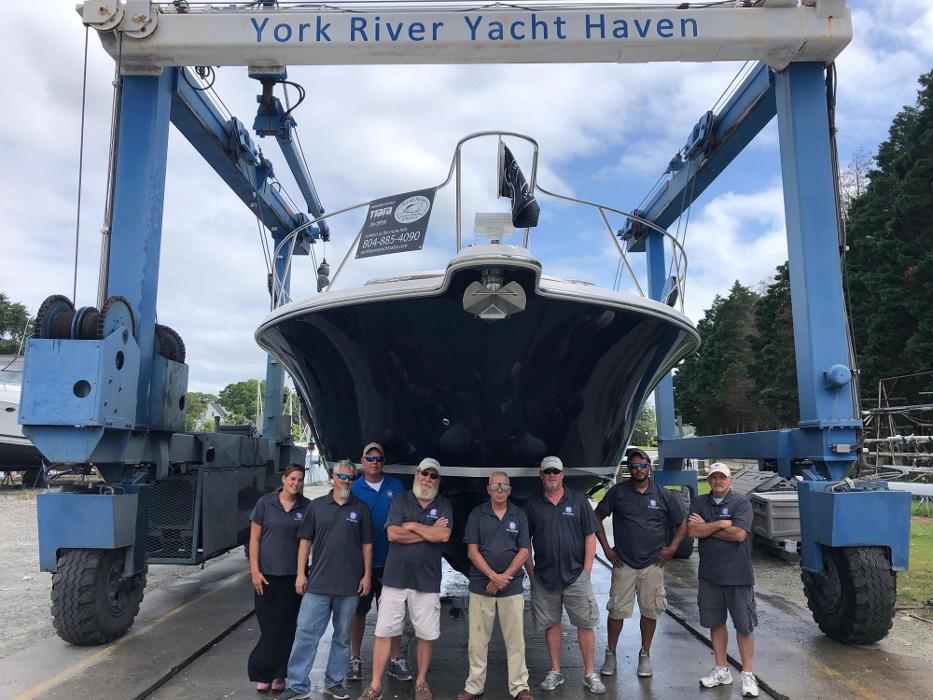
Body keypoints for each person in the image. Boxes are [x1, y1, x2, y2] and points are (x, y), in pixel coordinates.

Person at [277, 460, 373, 700]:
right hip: (318, 583)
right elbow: (305, 542)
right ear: (333, 476)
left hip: (349, 585)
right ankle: (298, 684)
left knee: (342, 637)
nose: (346, 481)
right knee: (306, 635)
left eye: (350, 478)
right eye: (342, 476)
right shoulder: (317, 506)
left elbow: (367, 545)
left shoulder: (360, 509)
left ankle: (335, 681)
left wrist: (367, 575)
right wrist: (301, 573)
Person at [357, 458, 453, 700]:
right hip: (395, 577)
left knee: (426, 633)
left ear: (438, 480)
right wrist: (426, 530)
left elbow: (443, 536)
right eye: (424, 473)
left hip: (427, 580)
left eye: (433, 476)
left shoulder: (443, 505)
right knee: (384, 631)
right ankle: (375, 684)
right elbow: (392, 534)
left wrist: (411, 525)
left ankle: (421, 681)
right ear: (416, 474)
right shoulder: (401, 499)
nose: (427, 479)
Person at [594, 448, 688, 678]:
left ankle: (644, 654)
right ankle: (611, 653)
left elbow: (682, 523)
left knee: (650, 610)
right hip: (623, 562)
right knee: (616, 610)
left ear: (650, 467)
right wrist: (606, 548)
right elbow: (596, 517)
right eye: (633, 466)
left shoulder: (665, 495)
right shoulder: (617, 493)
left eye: (642, 465)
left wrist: (673, 547)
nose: (638, 470)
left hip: (653, 564)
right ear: (628, 469)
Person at [523, 456, 605, 695]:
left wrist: (587, 570)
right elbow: (524, 541)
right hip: (545, 577)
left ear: (563, 475)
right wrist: (531, 570)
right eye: (547, 472)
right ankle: (556, 670)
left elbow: (590, 535)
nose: (551, 476)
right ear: (541, 476)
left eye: (555, 472)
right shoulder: (532, 505)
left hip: (576, 575)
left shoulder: (579, 501)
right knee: (551, 624)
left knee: (585, 624)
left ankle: (590, 673)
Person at [456, 472, 534, 700]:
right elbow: (472, 551)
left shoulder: (518, 515)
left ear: (510, 490)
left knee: (516, 641)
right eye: (495, 486)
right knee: (477, 641)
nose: (499, 490)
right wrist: (492, 576)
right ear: (488, 490)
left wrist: (503, 577)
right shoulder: (476, 514)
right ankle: (474, 686)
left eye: (504, 486)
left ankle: (520, 686)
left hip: (511, 587)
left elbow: (524, 551)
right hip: (482, 586)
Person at [687, 463, 759, 698]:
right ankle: (721, 669)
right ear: (708, 480)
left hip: (738, 575)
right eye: (714, 477)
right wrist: (719, 524)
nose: (718, 481)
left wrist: (706, 527)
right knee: (715, 622)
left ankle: (747, 674)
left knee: (744, 625)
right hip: (710, 576)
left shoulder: (741, 502)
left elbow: (739, 534)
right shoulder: (699, 502)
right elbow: (692, 532)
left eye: (722, 477)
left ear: (730, 480)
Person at [348, 442, 411, 683]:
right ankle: (355, 658)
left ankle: (395, 659)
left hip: (391, 560)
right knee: (359, 611)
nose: (375, 462)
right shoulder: (354, 488)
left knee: (393, 613)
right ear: (362, 462)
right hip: (362, 564)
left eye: (379, 458)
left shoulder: (396, 486)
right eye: (370, 458)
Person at [247, 464, 311, 692]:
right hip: (266, 576)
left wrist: (303, 573)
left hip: (293, 577)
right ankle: (262, 671)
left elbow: (308, 541)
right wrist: (254, 571)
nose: (296, 483)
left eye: (300, 480)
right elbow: (254, 539)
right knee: (268, 626)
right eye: (292, 478)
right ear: (284, 479)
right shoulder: (266, 503)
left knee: (288, 627)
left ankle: (280, 674)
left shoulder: (306, 507)